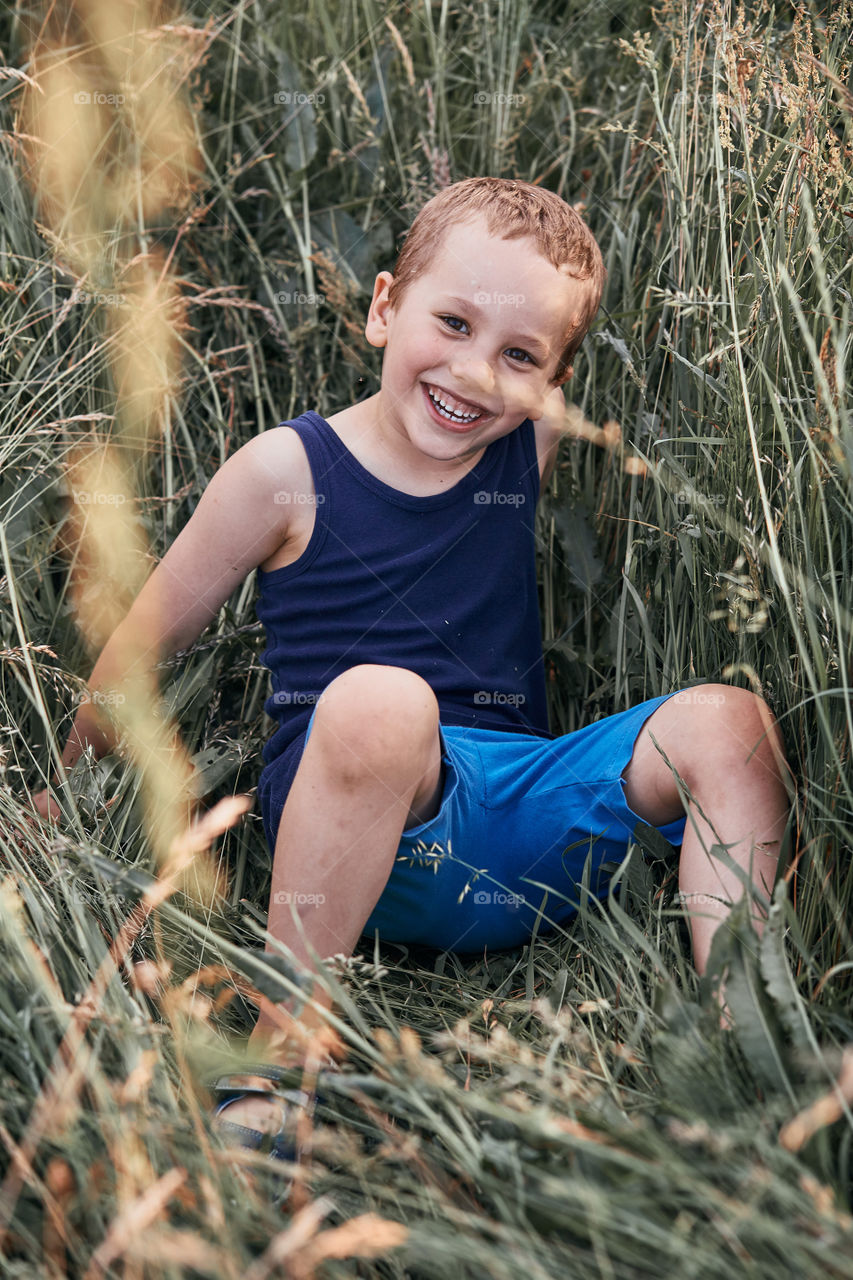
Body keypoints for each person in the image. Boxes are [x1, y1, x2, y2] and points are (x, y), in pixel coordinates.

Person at [33, 177, 793, 1153]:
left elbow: (524, 378)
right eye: (453, 322)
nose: (477, 373)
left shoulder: (526, 439)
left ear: (550, 383)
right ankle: (282, 1058)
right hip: (359, 824)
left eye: (518, 355)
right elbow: (145, 642)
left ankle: (743, 1047)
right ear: (383, 305)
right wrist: (70, 781)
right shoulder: (285, 472)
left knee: (731, 721)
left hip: (519, 823)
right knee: (379, 702)